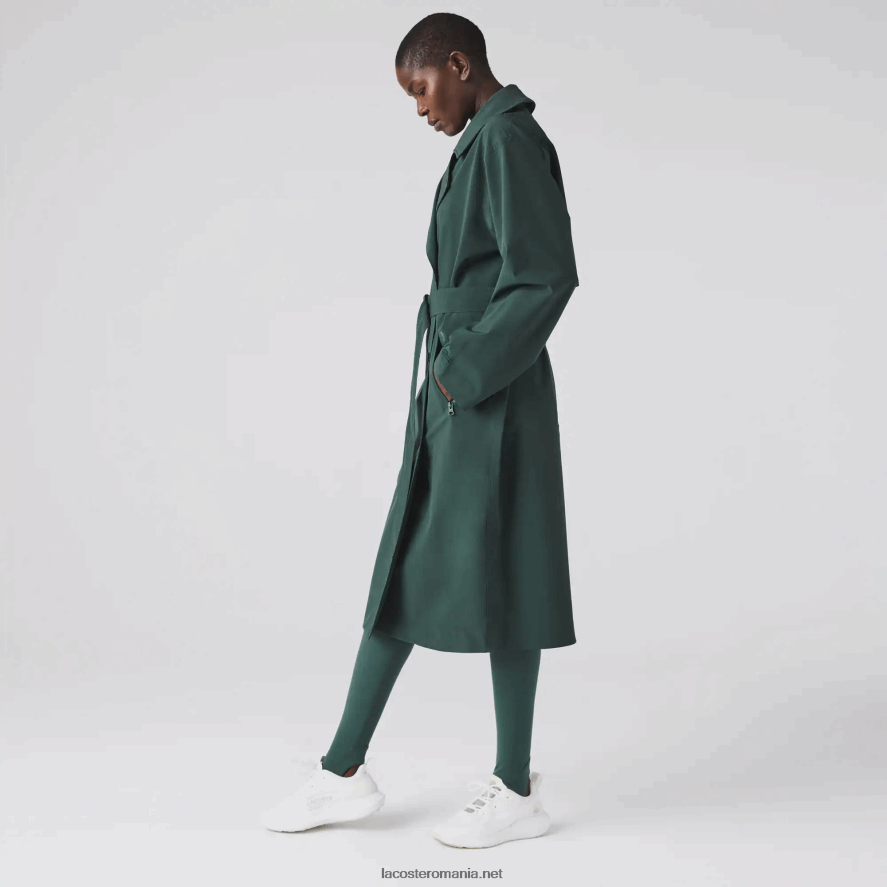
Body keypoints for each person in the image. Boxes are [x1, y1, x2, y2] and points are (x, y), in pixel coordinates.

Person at [260, 12, 579, 849]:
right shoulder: (484, 141)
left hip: (485, 385)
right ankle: (357, 771)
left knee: (487, 568)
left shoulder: (506, 139)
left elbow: (545, 274)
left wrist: (460, 370)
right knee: (430, 562)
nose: (419, 108)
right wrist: (450, 373)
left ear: (459, 64)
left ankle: (475, 783)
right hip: (466, 382)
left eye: (421, 88)